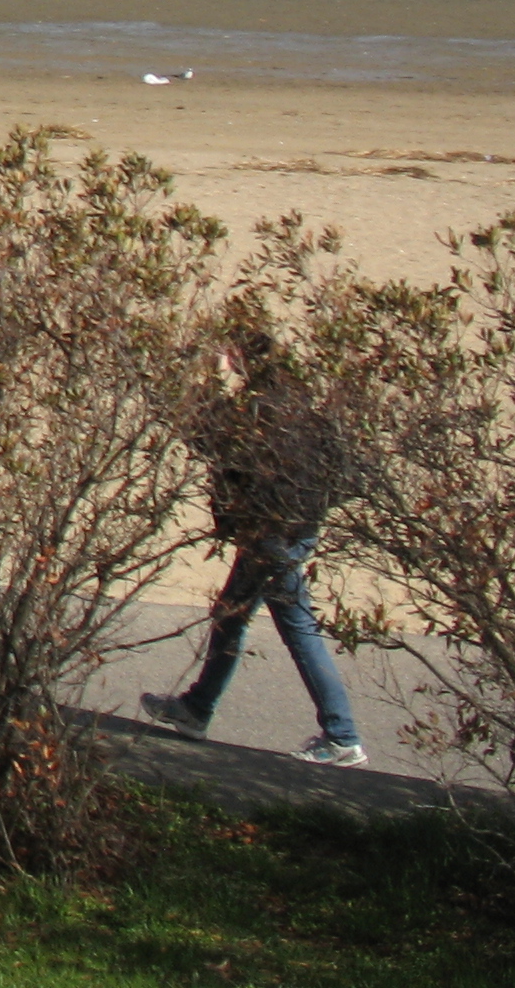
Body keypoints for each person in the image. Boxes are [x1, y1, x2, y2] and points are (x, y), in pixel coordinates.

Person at [141, 323, 368, 767]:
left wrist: (207, 380)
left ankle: (342, 735)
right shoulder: (301, 403)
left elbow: (204, 434)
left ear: (239, 358)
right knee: (233, 614)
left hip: (270, 534)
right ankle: (197, 707)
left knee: (293, 626)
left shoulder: (257, 410)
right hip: (293, 529)